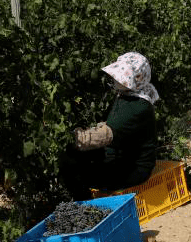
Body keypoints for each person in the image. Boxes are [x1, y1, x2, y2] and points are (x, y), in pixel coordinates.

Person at [65, 52, 158, 200]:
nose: (115, 78)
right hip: (122, 157)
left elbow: (106, 135)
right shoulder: (131, 94)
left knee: (77, 172)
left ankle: (86, 207)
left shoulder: (137, 106)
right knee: (81, 158)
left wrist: (71, 138)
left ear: (135, 80)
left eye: (121, 77)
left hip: (134, 169)